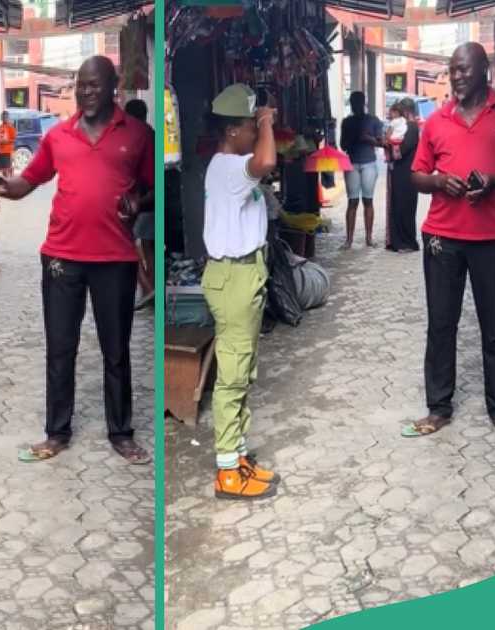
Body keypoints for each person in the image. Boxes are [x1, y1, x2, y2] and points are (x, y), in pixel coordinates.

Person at [0, 56, 154, 465]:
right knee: (60, 348)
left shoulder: (137, 134)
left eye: (93, 85)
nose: (84, 91)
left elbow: (156, 187)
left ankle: (121, 433)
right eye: (80, 85)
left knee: (115, 350)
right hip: (62, 256)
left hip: (115, 257)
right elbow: (27, 182)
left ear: (113, 86)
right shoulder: (59, 135)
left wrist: (140, 200)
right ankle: (56, 432)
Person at [404, 43, 495, 440]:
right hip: (442, 238)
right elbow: (416, 176)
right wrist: (440, 181)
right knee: (441, 324)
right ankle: (439, 407)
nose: (456, 77)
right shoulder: (437, 121)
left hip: (493, 238)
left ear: (484, 71)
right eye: (452, 70)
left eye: (463, 70)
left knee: (494, 328)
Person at [200, 84, 279, 500]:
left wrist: (261, 122)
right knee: (232, 376)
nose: (257, 131)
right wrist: (267, 122)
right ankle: (227, 471)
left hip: (244, 274)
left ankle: (239, 455)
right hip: (233, 277)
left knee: (243, 370)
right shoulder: (229, 167)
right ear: (233, 131)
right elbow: (266, 159)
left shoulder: (230, 164)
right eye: (252, 125)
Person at [340, 92, 383, 248]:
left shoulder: (373, 120)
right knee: (352, 201)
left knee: (368, 200)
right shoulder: (347, 122)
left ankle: (369, 238)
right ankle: (349, 239)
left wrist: (367, 138)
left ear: (363, 102)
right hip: (351, 163)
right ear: (351, 104)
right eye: (353, 102)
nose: (356, 105)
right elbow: (343, 145)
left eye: (358, 102)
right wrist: (354, 138)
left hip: (369, 163)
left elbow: (382, 142)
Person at [125, 98, 156, 308]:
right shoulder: (152, 134)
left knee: (126, 244)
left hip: (144, 200)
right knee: (149, 245)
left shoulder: (136, 137)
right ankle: (152, 285)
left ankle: (146, 286)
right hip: (148, 201)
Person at [387, 98, 421, 252]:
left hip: (406, 173)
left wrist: (389, 143)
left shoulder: (412, 128)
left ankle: (406, 242)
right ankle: (398, 241)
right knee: (399, 205)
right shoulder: (406, 127)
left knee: (404, 207)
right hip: (400, 172)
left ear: (406, 112)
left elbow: (402, 150)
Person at [0, 111, 17, 177]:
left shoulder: (11, 128)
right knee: (3, 170)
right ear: (1, 118)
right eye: (3, 117)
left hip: (8, 151)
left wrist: (6, 141)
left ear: (8, 118)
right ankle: (6, 181)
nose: (4, 118)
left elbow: (14, 139)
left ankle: (10, 181)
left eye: (5, 117)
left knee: (8, 168)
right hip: (1, 151)